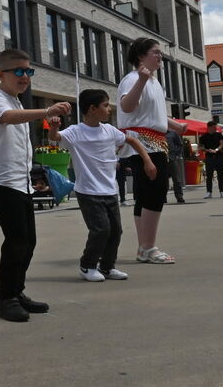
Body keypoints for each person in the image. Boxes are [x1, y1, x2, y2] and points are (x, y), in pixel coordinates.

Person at [0, 48, 70, 321]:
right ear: (1, 74)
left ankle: (17, 292)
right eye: (18, 71)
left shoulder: (18, 102)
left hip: (20, 183)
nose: (24, 76)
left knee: (28, 241)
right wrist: (46, 110)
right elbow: (5, 118)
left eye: (28, 71)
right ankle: (6, 298)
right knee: (17, 240)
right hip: (1, 183)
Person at [51, 89, 155, 283]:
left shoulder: (109, 130)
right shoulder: (75, 131)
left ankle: (107, 267)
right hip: (88, 191)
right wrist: (53, 128)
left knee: (116, 231)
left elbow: (131, 140)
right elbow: (55, 139)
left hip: (109, 190)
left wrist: (147, 160)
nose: (109, 109)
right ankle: (87, 265)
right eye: (105, 105)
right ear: (92, 109)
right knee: (101, 229)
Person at [116, 37, 182, 264]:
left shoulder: (154, 82)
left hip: (155, 138)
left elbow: (155, 114)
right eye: (155, 52)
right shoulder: (133, 79)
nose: (160, 56)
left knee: (146, 192)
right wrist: (141, 81)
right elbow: (127, 106)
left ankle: (144, 247)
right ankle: (148, 247)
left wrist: (176, 125)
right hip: (143, 139)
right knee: (156, 189)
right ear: (140, 56)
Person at [198, 118, 223, 198]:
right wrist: (207, 150)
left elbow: (222, 144)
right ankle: (209, 192)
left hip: (218, 156)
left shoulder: (219, 135)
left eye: (215, 127)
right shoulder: (203, 137)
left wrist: (216, 150)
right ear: (209, 127)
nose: (215, 129)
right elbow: (200, 147)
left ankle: (222, 192)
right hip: (209, 157)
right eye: (214, 127)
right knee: (209, 175)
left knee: (220, 175)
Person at [165, 128, 187, 204]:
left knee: (176, 179)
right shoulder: (157, 132)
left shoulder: (173, 133)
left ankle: (179, 196)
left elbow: (180, 145)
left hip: (172, 158)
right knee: (162, 179)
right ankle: (163, 197)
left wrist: (176, 155)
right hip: (161, 158)